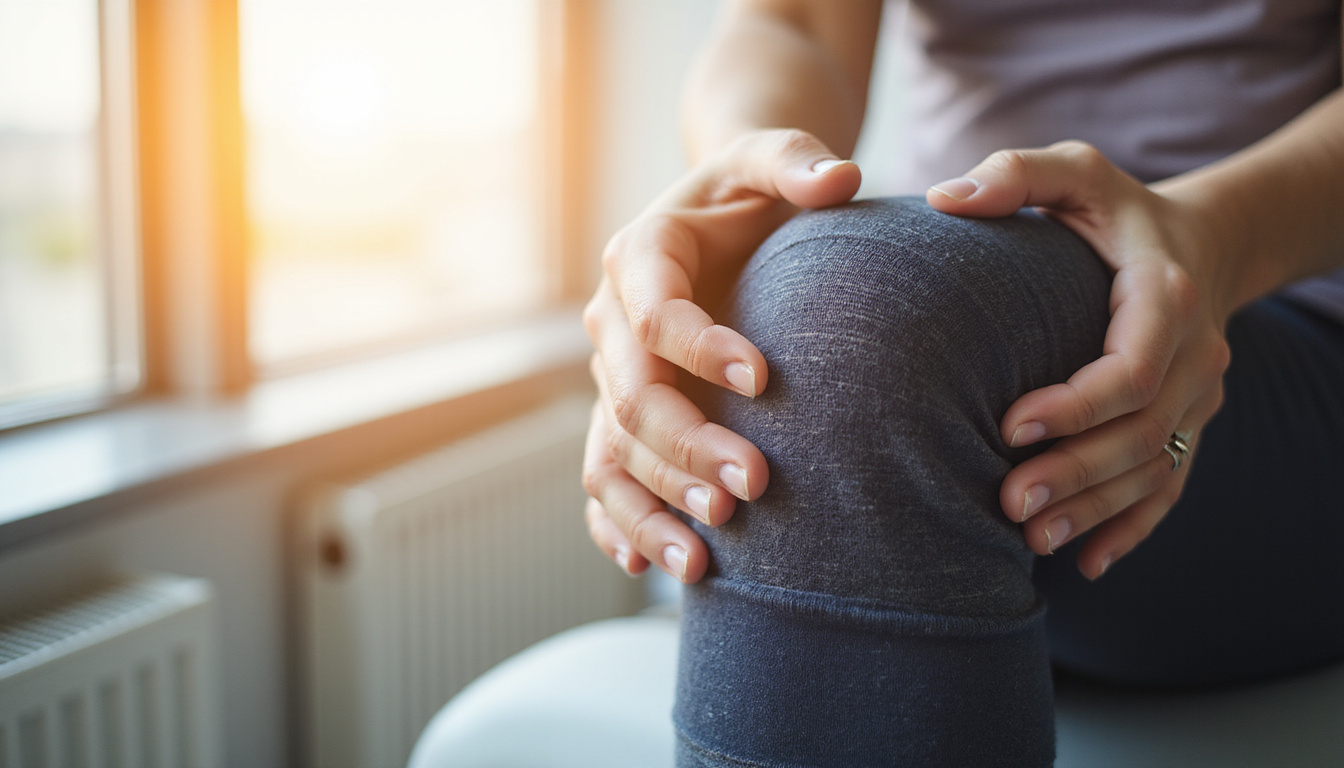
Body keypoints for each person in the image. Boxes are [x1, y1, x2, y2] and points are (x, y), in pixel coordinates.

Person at [580, 1, 1344, 764]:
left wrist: (1217, 242)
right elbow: (796, 22)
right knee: (830, 310)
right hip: (961, 337)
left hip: (1285, 315)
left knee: (872, 321)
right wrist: (745, 198)